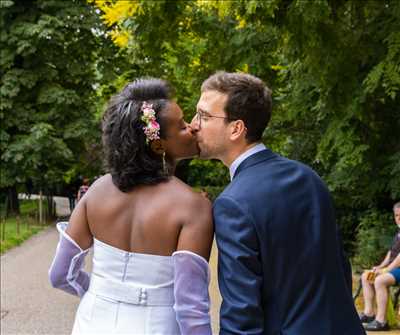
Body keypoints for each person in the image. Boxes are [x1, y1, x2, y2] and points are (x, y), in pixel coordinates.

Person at [191, 71, 365, 335]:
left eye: (204, 116)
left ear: (236, 128)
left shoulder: (232, 204)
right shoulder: (309, 177)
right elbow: (339, 269)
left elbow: (241, 315)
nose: (194, 124)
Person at [49, 78, 213, 334]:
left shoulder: (97, 191)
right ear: (158, 144)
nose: (192, 127)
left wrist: (102, 293)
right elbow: (190, 308)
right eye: (182, 126)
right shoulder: (193, 207)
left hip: (91, 322)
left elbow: (60, 275)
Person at [360, 202, 400, 331]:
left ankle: (381, 321)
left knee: (380, 280)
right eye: (396, 215)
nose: (398, 218)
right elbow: (391, 253)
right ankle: (369, 313)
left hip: (398, 269)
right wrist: (379, 267)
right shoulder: (398, 232)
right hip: (394, 268)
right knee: (366, 276)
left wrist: (386, 270)